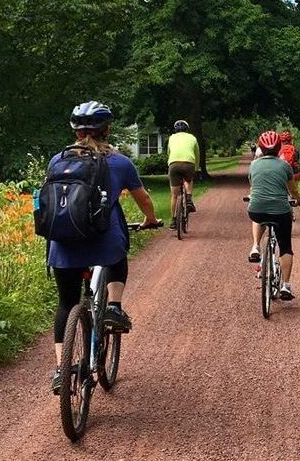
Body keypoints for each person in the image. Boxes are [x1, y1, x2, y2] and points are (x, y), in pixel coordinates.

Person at [48, 101, 161, 393]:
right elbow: (144, 199)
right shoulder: (120, 162)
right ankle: (113, 307)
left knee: (66, 303)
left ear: (75, 131)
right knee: (118, 256)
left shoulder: (57, 160)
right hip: (103, 243)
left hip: (63, 245)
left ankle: (62, 370)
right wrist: (150, 220)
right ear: (107, 129)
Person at [247, 130, 300, 300]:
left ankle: (256, 246)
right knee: (285, 246)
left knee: (258, 216)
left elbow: (254, 187)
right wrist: (299, 200)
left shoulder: (253, 165)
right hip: (281, 211)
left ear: (260, 148)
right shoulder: (284, 166)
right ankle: (285, 286)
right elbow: (293, 190)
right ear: (279, 147)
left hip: (257, 208)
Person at [167, 120, 199, 230]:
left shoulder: (171, 138)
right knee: (188, 180)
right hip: (189, 163)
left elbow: (169, 152)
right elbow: (197, 154)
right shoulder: (193, 138)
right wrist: (196, 167)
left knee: (174, 195)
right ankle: (189, 199)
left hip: (174, 164)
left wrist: (170, 163)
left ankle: (173, 221)